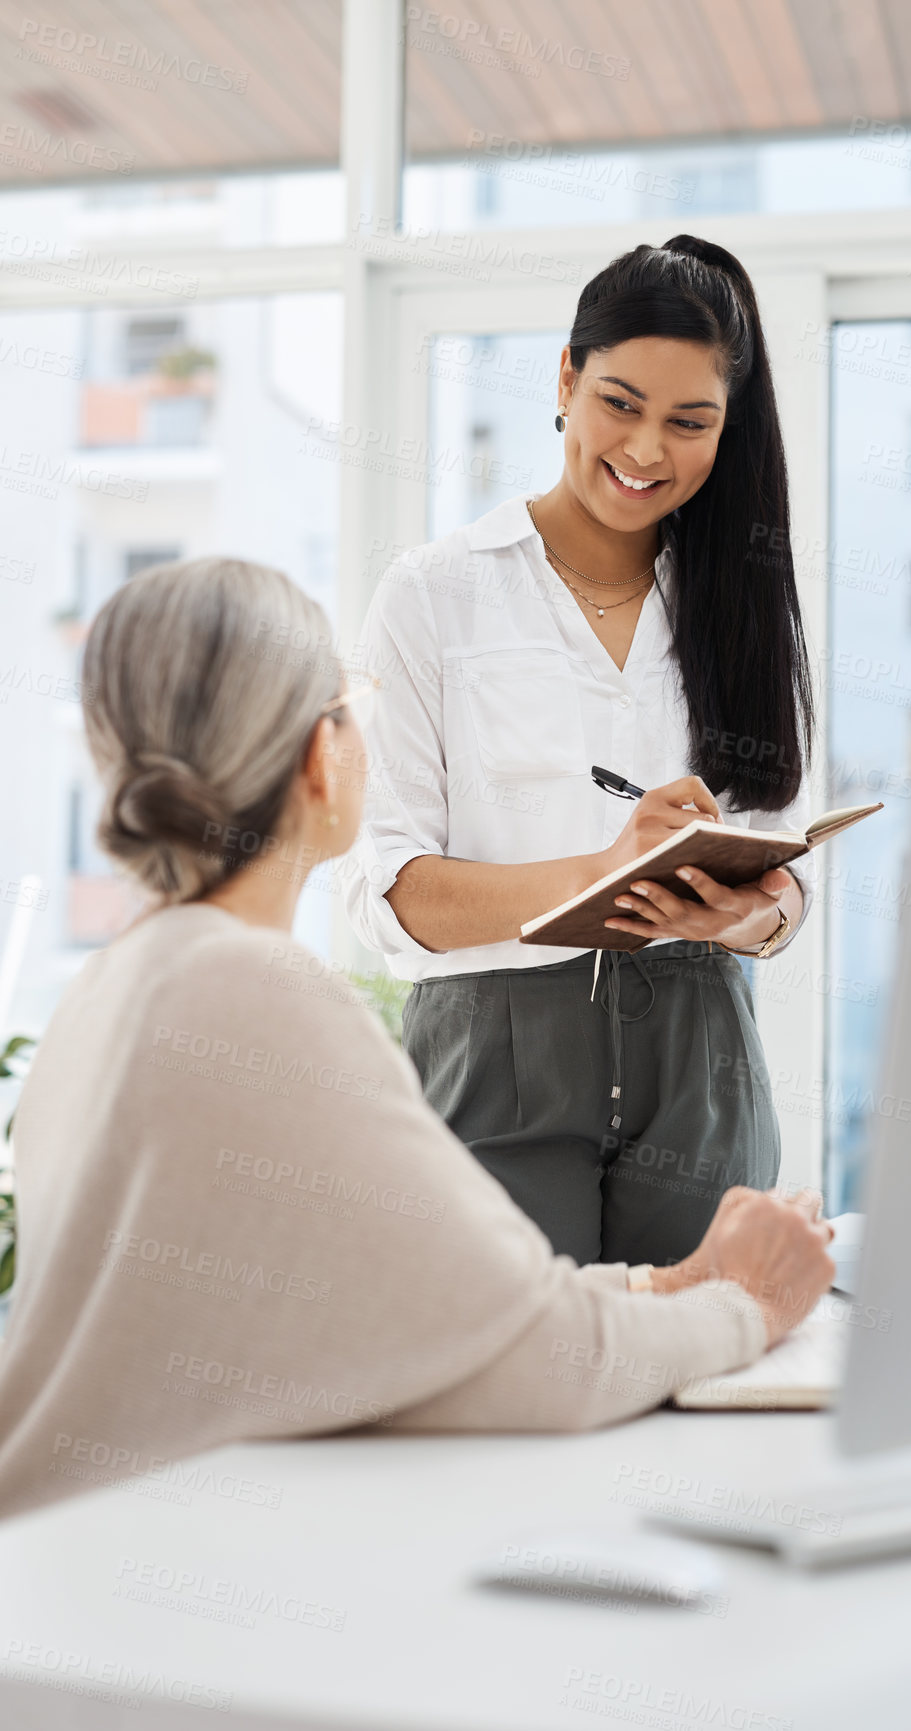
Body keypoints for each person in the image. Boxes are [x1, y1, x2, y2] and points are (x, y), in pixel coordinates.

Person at [0, 557, 833, 1522]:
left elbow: (442, 1326)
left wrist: (678, 1282)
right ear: (321, 756)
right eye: (354, 705)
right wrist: (747, 1302)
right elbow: (550, 1360)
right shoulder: (257, 997)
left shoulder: (116, 983)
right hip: (120, 1617)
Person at [345, 234, 816, 1270]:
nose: (648, 450)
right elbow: (392, 894)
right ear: (566, 377)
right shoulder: (435, 593)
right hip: (491, 1057)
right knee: (506, 1393)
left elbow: (782, 871)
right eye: (620, 403)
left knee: (707, 1384)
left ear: (726, 431)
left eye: (690, 423)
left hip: (704, 1058)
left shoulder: (743, 606)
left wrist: (753, 915)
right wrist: (599, 873)